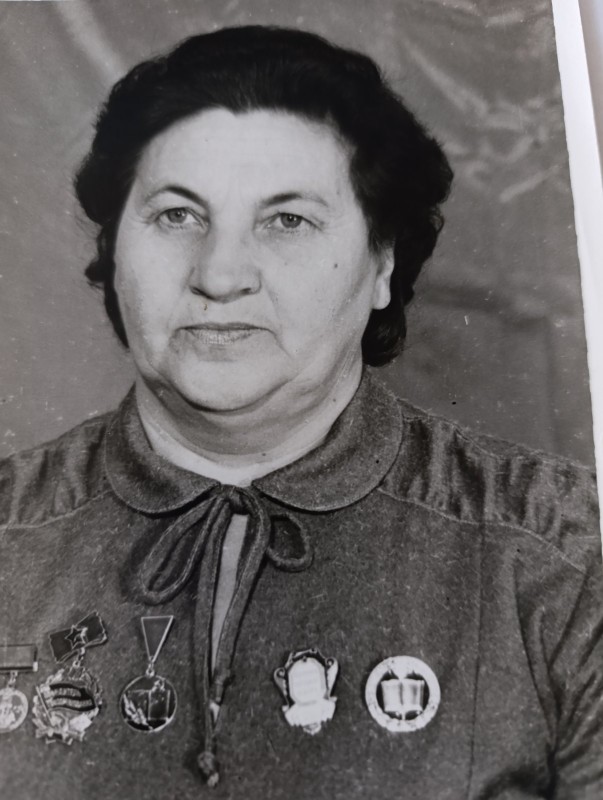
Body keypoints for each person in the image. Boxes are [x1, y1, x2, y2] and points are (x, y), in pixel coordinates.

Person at [0, 25, 601, 800]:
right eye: (177, 215)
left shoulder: (563, 555)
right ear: (115, 251)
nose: (220, 274)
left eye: (286, 220)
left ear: (381, 262)